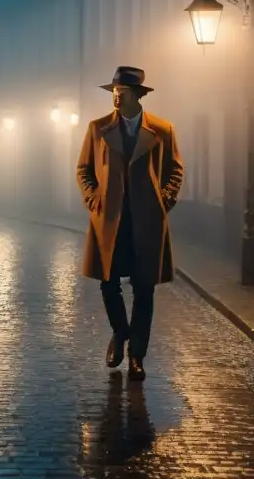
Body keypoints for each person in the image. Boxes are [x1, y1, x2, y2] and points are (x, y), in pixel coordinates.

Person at [75, 66, 184, 381]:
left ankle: (137, 356)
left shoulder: (162, 130)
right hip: (109, 220)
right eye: (113, 91)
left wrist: (165, 199)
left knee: (144, 290)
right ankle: (120, 332)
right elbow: (83, 169)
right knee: (108, 284)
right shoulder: (98, 129)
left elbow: (176, 169)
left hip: (146, 221)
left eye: (121, 92)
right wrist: (93, 199)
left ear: (137, 95)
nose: (115, 97)